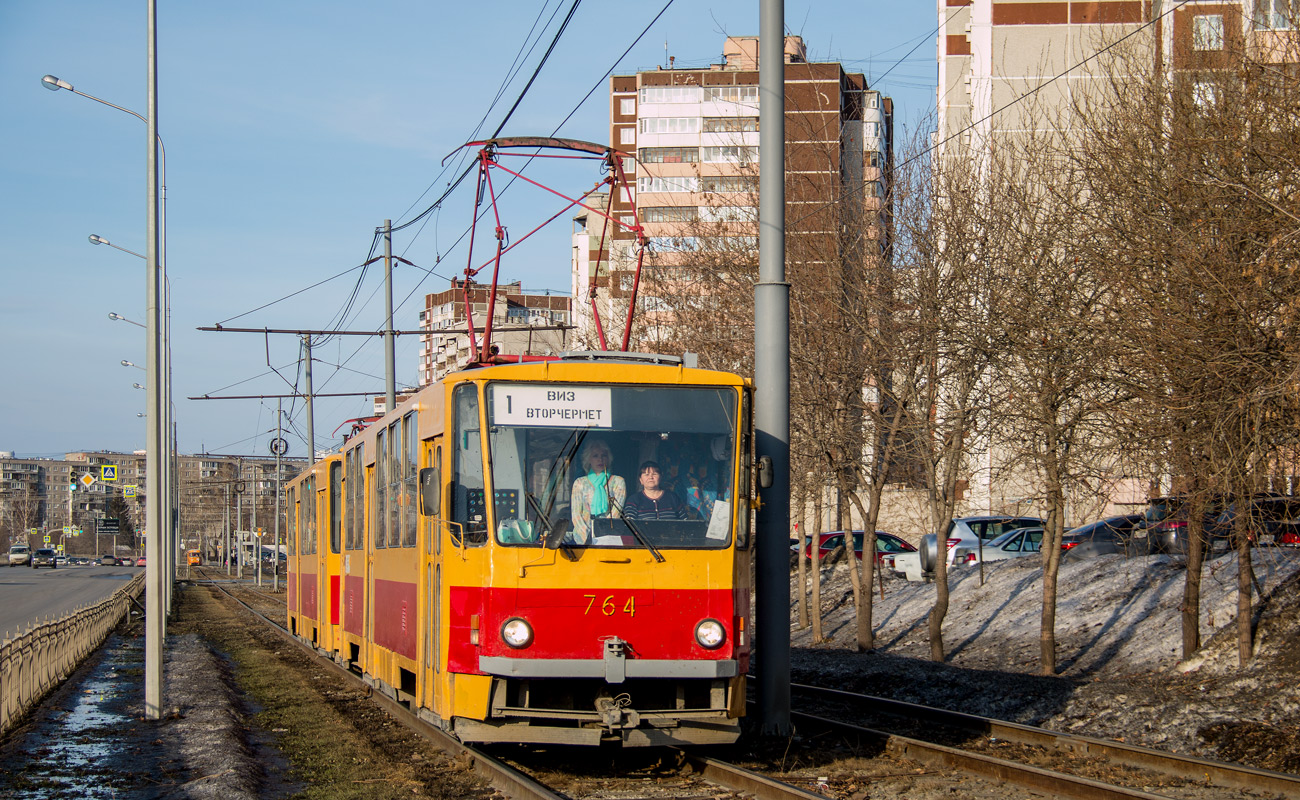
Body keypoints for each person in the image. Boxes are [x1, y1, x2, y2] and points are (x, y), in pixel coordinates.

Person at [569, 438, 626, 543]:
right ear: (588, 459)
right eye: (595, 456)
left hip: (608, 537)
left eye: (603, 455)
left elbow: (616, 512)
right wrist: (585, 536)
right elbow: (576, 513)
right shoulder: (580, 483)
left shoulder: (618, 481)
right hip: (582, 539)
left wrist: (602, 535)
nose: (600, 459)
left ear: (608, 458)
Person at [623, 461, 689, 520]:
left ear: (661, 477)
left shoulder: (673, 497)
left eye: (654, 474)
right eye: (646, 475)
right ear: (640, 480)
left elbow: (685, 522)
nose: (650, 477)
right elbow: (629, 525)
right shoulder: (634, 500)